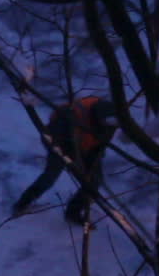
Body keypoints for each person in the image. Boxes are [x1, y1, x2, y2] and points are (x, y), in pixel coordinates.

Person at [12, 96, 119, 225]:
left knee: (94, 181)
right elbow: (55, 135)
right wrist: (71, 156)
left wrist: (96, 154)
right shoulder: (72, 114)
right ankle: (23, 203)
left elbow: (103, 140)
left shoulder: (114, 118)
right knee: (50, 176)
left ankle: (73, 212)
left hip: (87, 146)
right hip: (59, 143)